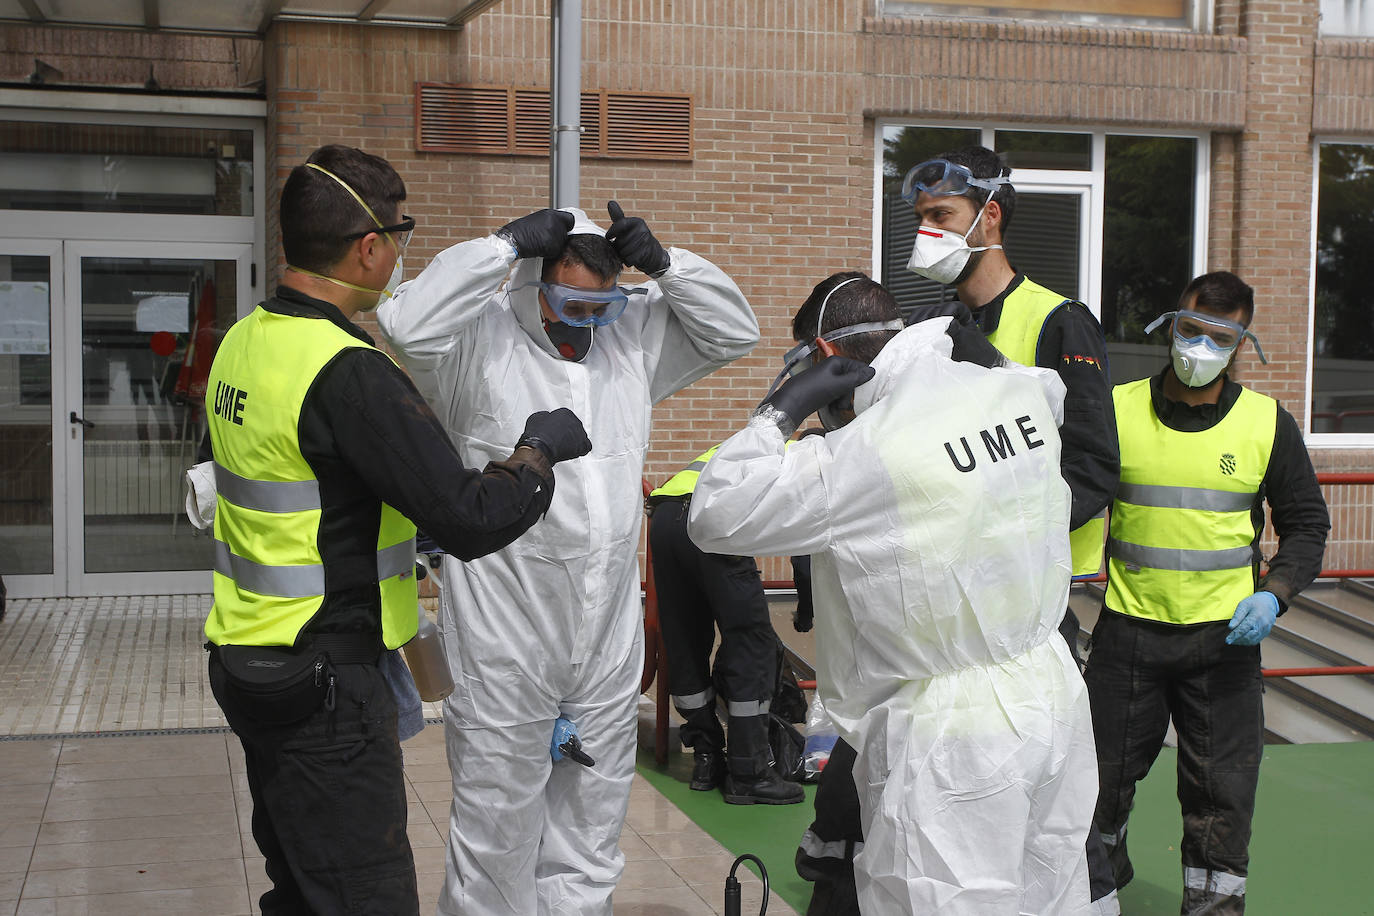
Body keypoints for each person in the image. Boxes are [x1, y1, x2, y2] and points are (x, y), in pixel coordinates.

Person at [203, 144, 591, 916]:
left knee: (302, 886)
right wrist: (538, 450)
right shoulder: (348, 370)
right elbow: (472, 516)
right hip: (324, 686)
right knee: (362, 897)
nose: (401, 254)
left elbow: (302, 485)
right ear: (370, 246)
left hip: (250, 661)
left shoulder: (245, 342)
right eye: (401, 235)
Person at [378, 203, 757, 914]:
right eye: (567, 303)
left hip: (603, 642)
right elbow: (405, 324)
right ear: (527, 286)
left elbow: (734, 331)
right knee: (495, 841)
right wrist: (499, 246)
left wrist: (669, 263)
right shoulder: (476, 344)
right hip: (503, 643)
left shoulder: (630, 340)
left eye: (599, 307)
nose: (582, 324)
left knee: (590, 837)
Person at [689, 272, 1097, 915]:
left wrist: (780, 412)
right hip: (1049, 692)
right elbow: (1053, 392)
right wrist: (987, 358)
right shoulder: (1011, 396)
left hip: (949, 732)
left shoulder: (864, 455)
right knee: (1047, 887)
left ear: (827, 360)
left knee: (941, 898)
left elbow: (717, 514)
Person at [1085, 271, 1330, 915]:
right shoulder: (1115, 408)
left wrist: (1275, 595)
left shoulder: (1266, 424)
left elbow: (1306, 523)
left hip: (1222, 647)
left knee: (1222, 797)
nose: (1200, 346)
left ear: (1240, 342)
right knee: (1098, 783)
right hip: (1127, 636)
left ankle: (1213, 908)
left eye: (1219, 336)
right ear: (1171, 324)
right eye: (1191, 329)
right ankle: (1096, 891)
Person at [647, 444, 803, 805]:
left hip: (665, 515)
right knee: (752, 642)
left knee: (684, 638)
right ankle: (749, 772)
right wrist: (807, 608)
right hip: (711, 517)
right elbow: (808, 553)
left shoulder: (757, 442)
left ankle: (707, 759)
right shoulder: (812, 457)